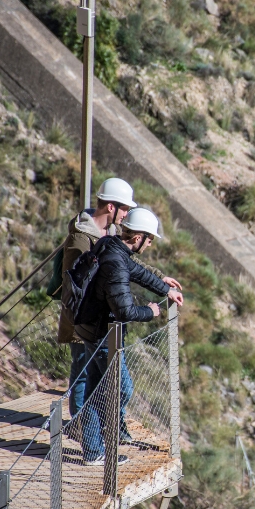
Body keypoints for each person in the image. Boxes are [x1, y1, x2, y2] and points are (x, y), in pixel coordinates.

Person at [58, 178, 181, 418]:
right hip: (84, 317)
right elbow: (76, 282)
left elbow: (130, 265)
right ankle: (81, 426)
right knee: (84, 374)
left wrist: (161, 281)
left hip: (99, 319)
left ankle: (93, 430)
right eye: (124, 208)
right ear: (112, 207)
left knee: (93, 378)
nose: (127, 214)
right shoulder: (81, 240)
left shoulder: (110, 235)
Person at [75, 207, 184, 466]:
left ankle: (92, 449)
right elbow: (124, 310)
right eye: (150, 239)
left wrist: (165, 288)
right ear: (138, 238)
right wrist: (151, 311)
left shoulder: (111, 246)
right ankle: (99, 437)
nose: (150, 244)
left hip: (89, 327)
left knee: (94, 387)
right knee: (121, 388)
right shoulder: (115, 264)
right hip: (102, 334)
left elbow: (137, 272)